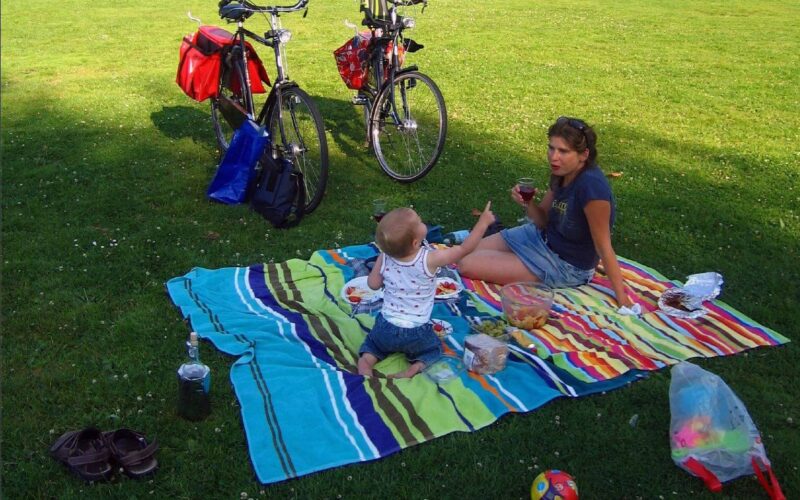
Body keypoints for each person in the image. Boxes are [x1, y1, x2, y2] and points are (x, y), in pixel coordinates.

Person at [458, 116, 635, 310]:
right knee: (465, 250)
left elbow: (603, 247)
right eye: (551, 148)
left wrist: (623, 299)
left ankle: (523, 265)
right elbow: (543, 220)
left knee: (466, 264)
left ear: (584, 155)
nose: (554, 156)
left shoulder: (592, 189)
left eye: (563, 151)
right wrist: (528, 203)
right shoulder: (562, 172)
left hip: (564, 265)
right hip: (540, 237)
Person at [358, 202, 496, 378]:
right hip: (417, 330)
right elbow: (464, 248)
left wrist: (381, 261)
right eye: (420, 222)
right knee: (433, 349)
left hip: (386, 326)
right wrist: (483, 223)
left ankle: (366, 368)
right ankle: (413, 369)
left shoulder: (385, 256)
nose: (423, 222)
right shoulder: (429, 258)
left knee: (372, 346)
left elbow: (373, 284)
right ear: (416, 242)